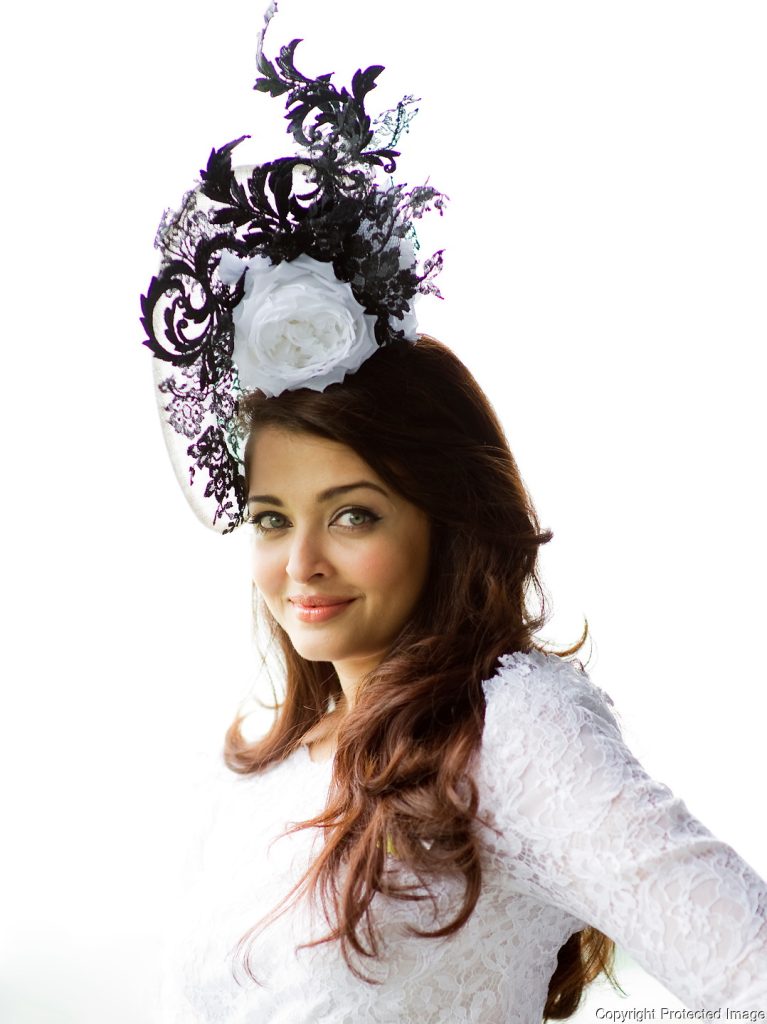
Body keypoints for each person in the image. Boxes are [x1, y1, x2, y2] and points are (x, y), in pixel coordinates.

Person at [142, 9, 767, 1020]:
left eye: (352, 515)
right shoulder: (259, 771)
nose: (300, 563)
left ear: (443, 515)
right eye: (271, 518)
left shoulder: (507, 728)